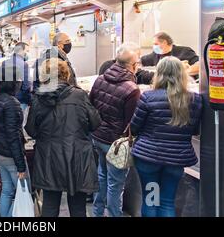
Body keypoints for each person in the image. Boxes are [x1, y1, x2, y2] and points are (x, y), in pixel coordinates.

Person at [26, 58, 101, 217]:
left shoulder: (39, 98)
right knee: (78, 207)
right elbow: (95, 123)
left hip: (49, 157)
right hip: (78, 155)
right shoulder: (79, 95)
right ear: (66, 74)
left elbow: (31, 130)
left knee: (50, 205)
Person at [130, 57, 203, 217]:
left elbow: (134, 128)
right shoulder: (195, 100)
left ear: (159, 74)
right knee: (167, 202)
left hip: (149, 159)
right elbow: (195, 130)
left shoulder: (148, 97)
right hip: (176, 161)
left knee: (151, 200)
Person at [89, 43, 141, 217]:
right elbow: (131, 122)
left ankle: (97, 212)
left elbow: (91, 107)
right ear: (133, 66)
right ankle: (113, 214)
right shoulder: (132, 90)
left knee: (102, 176)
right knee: (115, 184)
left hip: (97, 137)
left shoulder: (100, 79)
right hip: (116, 143)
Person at [0, 63, 29, 217]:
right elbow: (13, 137)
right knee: (23, 192)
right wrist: (21, 166)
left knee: (6, 190)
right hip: (11, 155)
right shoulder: (11, 103)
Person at [2, 42, 32, 109]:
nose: (27, 53)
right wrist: (30, 100)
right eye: (27, 51)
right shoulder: (24, 65)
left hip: (6, 99)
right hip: (20, 100)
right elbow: (26, 86)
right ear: (21, 51)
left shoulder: (4, 63)